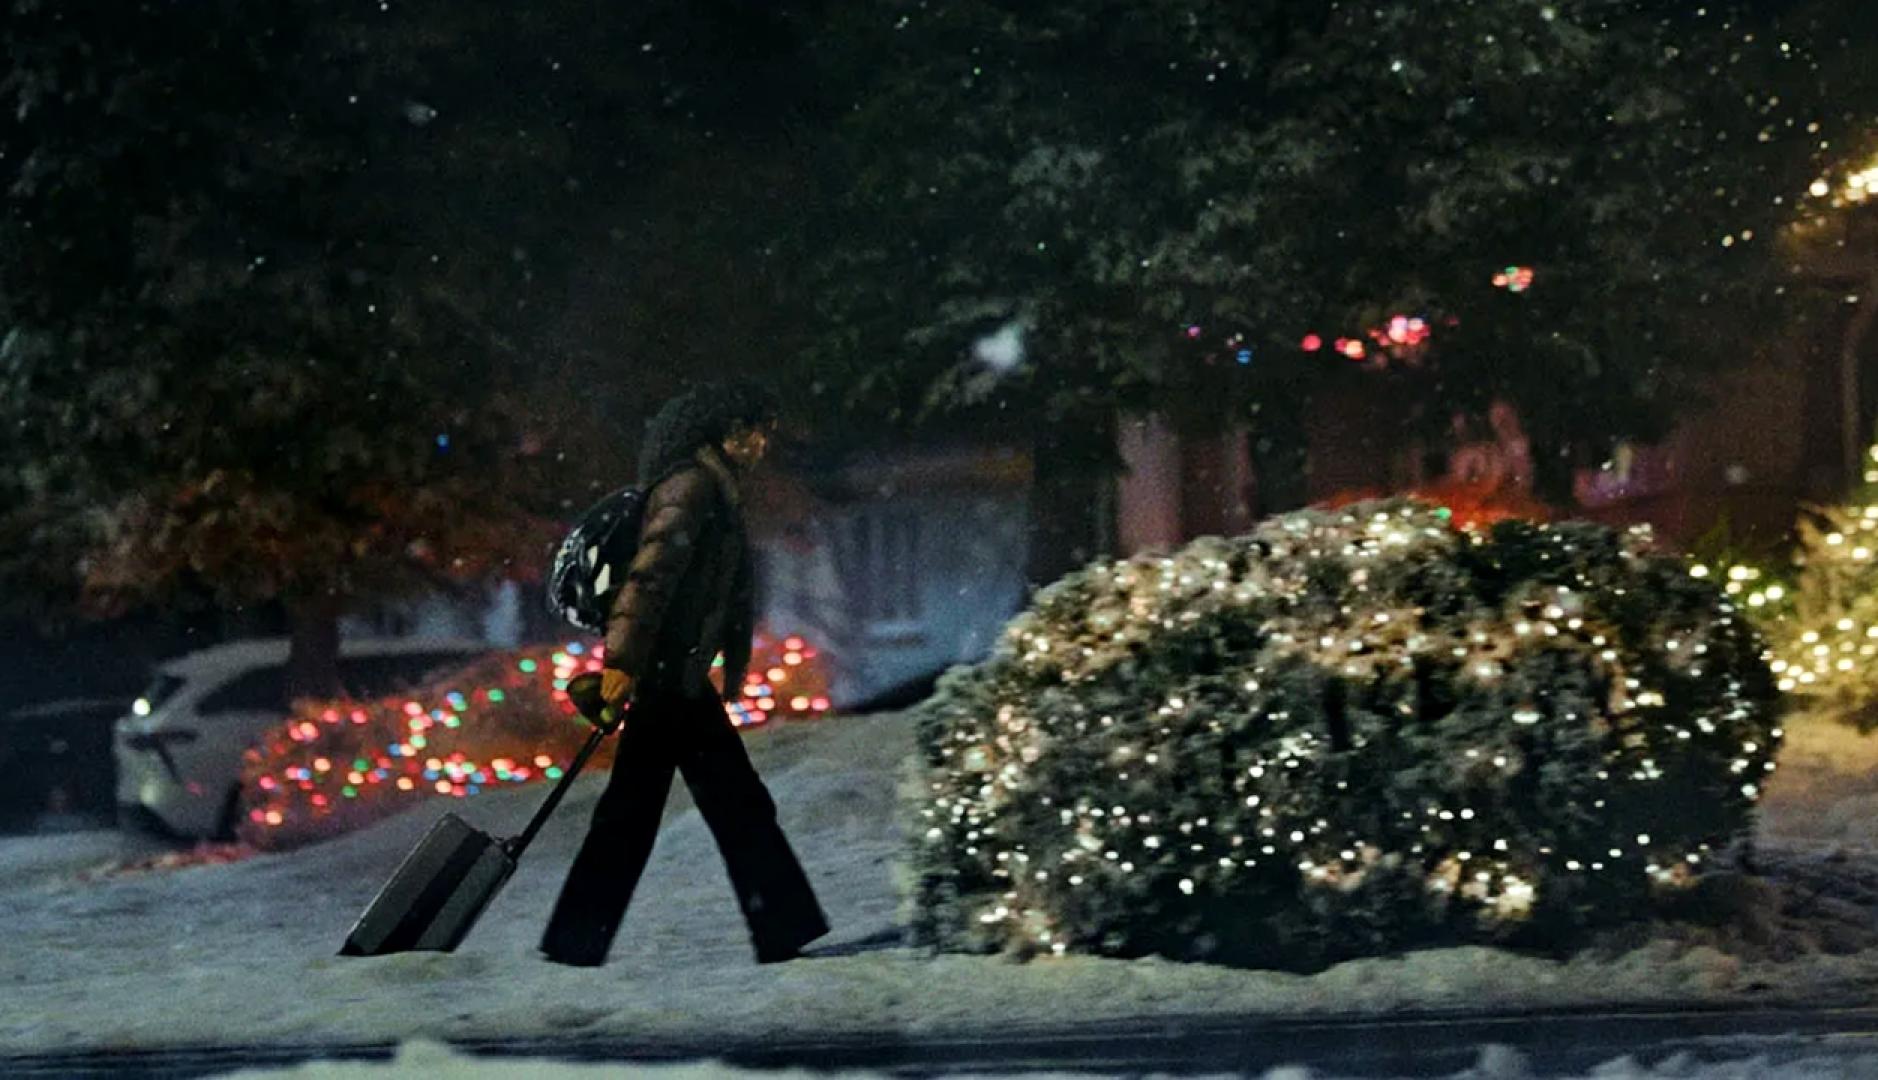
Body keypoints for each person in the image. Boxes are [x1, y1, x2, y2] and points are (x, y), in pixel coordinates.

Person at [539, 379, 830, 967]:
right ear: (725, 434)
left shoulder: (709, 487)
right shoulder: (691, 489)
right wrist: (621, 664)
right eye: (755, 431)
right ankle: (780, 924)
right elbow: (649, 580)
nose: (762, 443)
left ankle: (578, 939)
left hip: (675, 674)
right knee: (713, 805)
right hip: (667, 675)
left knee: (656, 809)